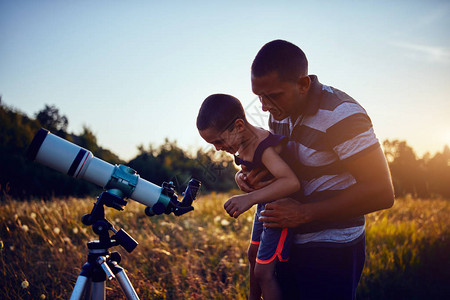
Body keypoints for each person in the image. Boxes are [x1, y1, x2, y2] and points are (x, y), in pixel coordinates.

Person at [235, 39, 395, 299]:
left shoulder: (342, 115)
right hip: (288, 239)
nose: (264, 106)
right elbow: (286, 168)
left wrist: (304, 213)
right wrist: (250, 176)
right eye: (259, 97)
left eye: (272, 96)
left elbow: (382, 192)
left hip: (332, 249)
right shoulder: (279, 111)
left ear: (303, 84)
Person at [196, 93, 302, 300]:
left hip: (279, 211)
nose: (217, 148)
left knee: (263, 272)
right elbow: (246, 170)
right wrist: (238, 176)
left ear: (239, 126)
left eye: (218, 141)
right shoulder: (240, 143)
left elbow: (291, 182)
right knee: (252, 255)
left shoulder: (264, 148)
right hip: (264, 206)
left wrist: (249, 198)